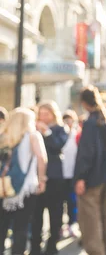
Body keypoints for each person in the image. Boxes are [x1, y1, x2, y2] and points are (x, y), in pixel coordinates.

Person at [74, 86, 106, 255]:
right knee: (104, 218)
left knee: (90, 224)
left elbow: (87, 152)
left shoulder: (91, 122)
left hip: (92, 177)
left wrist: (81, 177)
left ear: (84, 103)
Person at [0, 108, 48, 255]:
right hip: (27, 188)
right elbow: (41, 158)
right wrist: (42, 179)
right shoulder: (33, 136)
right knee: (21, 227)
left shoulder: (4, 136)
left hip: (4, 188)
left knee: (2, 227)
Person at [30, 101, 68, 255]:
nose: (44, 117)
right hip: (37, 177)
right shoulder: (33, 129)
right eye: (41, 114)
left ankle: (52, 245)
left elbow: (58, 145)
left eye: (47, 114)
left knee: (55, 213)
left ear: (53, 114)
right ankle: (34, 246)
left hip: (55, 178)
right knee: (36, 214)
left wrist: (47, 133)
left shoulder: (59, 129)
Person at [61, 110, 79, 238]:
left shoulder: (77, 134)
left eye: (70, 119)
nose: (68, 122)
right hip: (61, 174)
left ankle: (73, 223)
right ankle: (62, 225)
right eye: (65, 120)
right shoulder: (60, 135)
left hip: (73, 173)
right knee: (62, 201)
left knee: (73, 201)